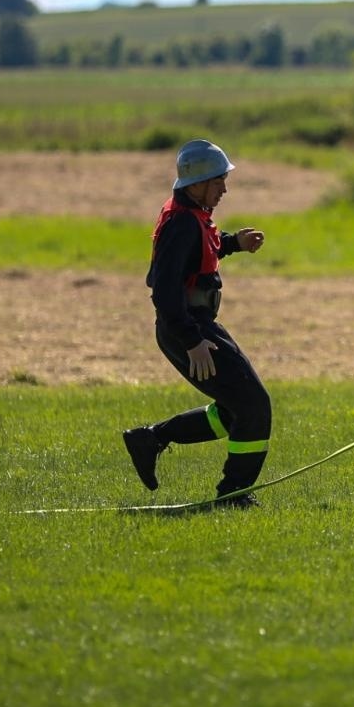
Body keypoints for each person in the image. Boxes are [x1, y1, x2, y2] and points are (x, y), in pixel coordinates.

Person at [123, 139, 270, 508]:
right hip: (189, 328)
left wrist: (234, 243)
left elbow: (204, 248)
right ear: (198, 183)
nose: (224, 189)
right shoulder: (182, 224)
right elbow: (164, 290)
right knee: (253, 406)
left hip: (192, 326)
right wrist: (192, 340)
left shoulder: (192, 214)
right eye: (219, 181)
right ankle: (233, 495)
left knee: (238, 407)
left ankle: (152, 439)